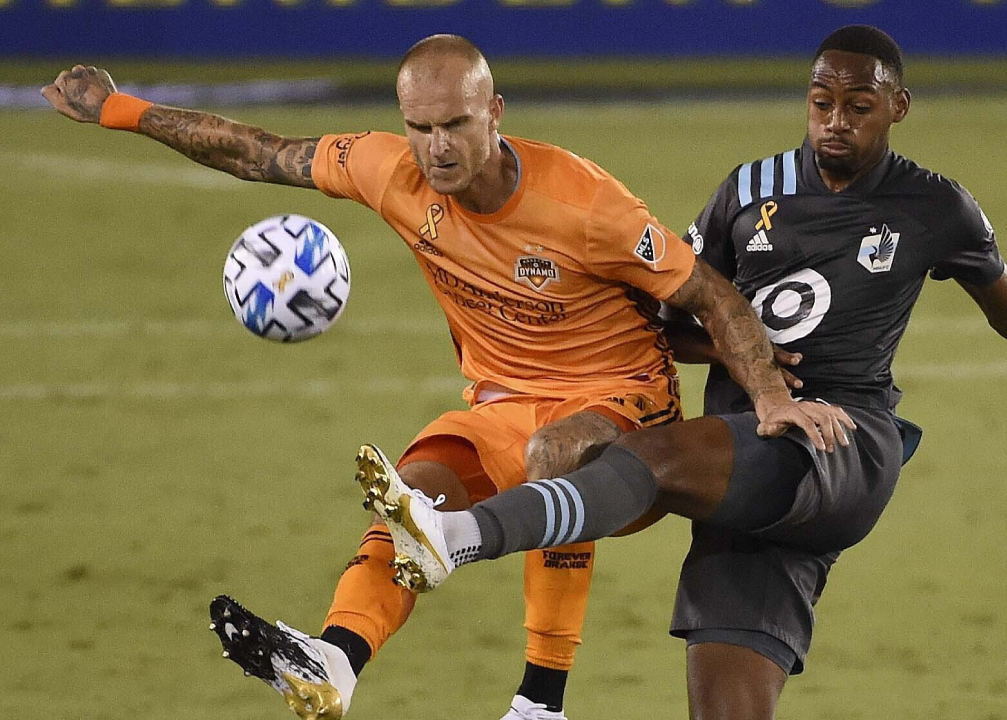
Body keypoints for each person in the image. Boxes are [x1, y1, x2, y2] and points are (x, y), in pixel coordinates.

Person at [341, 25, 1007, 720]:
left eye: (859, 106)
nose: (835, 120)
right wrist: (725, 352)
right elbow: (676, 317)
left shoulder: (932, 205)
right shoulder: (746, 191)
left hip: (839, 444)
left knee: (644, 459)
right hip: (746, 470)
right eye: (821, 101)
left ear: (897, 108)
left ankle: (458, 540)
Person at [41, 36, 850, 720]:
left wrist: (773, 399)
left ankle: (540, 701)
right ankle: (336, 660)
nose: (439, 148)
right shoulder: (390, 172)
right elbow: (260, 152)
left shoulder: (587, 204)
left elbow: (709, 294)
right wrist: (118, 109)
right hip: (498, 403)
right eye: (421, 127)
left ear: (494, 113)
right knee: (411, 494)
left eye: (457, 124)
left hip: (618, 404)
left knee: (554, 457)